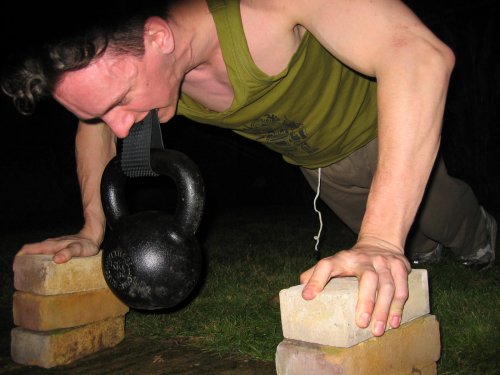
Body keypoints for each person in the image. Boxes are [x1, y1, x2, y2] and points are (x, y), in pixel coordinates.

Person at [1, 0, 496, 338]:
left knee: (456, 227)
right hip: (319, 166)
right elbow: (96, 128)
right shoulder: (137, 78)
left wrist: (381, 241)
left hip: (388, 136)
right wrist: (93, 228)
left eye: (122, 101)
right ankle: (424, 253)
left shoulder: (264, 9)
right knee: (422, 248)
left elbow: (419, 56)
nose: (123, 126)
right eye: (101, 111)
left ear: (157, 36)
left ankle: (483, 244)